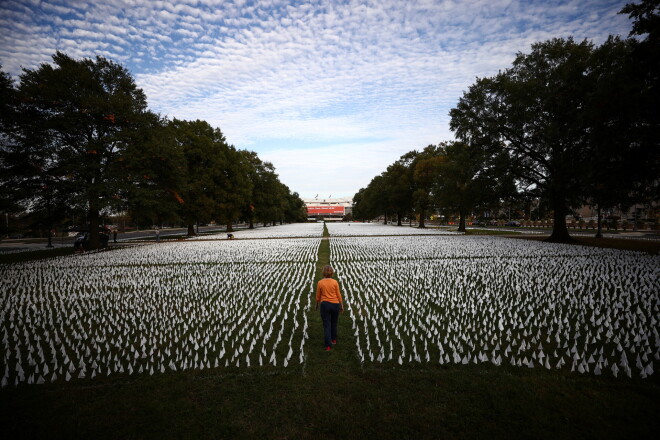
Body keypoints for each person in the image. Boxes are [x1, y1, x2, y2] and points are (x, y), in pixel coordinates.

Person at [315, 265, 344, 351]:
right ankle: (333, 339)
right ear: (332, 273)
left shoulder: (320, 282)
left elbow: (318, 296)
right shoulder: (335, 282)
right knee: (334, 322)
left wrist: (317, 304)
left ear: (323, 273)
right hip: (335, 304)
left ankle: (328, 345)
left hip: (325, 305)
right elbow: (338, 294)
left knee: (327, 324)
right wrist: (341, 305)